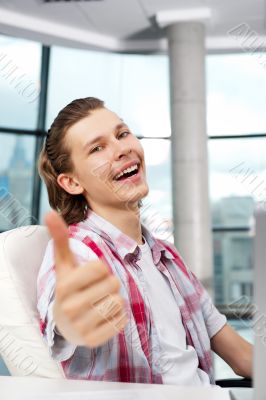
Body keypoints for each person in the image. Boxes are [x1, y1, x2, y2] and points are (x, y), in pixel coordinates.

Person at [37, 97, 252, 385]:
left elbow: (241, 356)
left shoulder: (167, 256)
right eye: (97, 148)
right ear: (72, 183)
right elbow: (66, 314)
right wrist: (72, 316)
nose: (122, 149)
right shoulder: (79, 251)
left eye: (122, 134)